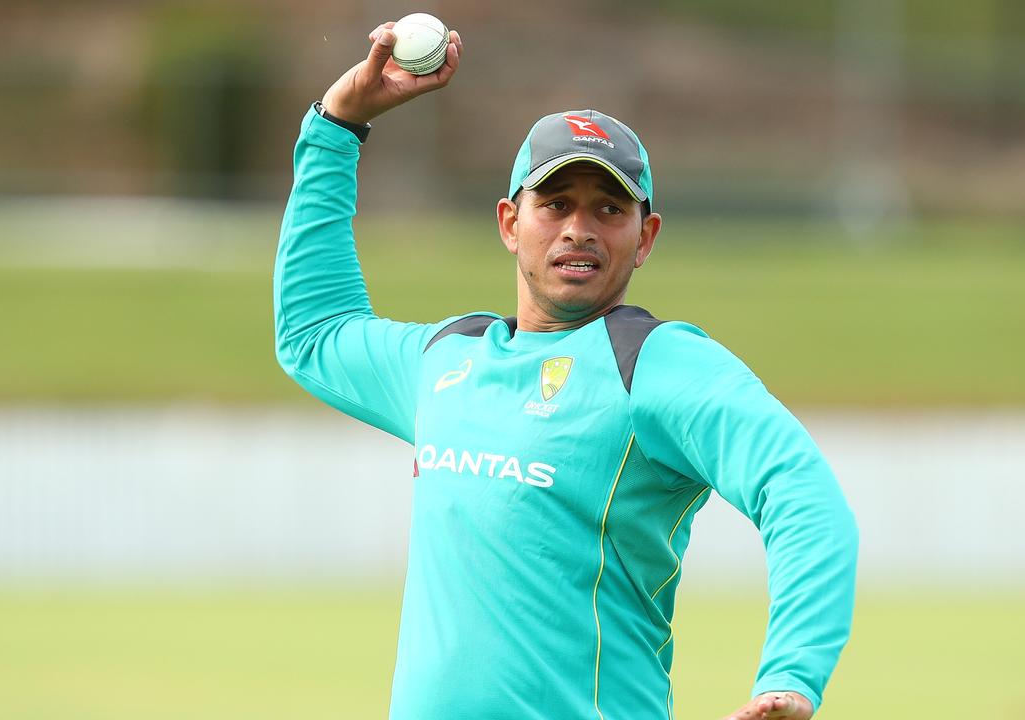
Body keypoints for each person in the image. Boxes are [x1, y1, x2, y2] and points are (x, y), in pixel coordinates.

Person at [274, 21, 858, 720]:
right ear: (508, 223)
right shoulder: (448, 361)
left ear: (645, 237)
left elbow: (803, 497)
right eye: (554, 204)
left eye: (609, 208)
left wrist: (790, 676)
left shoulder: (655, 364)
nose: (579, 228)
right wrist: (338, 126)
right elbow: (315, 333)